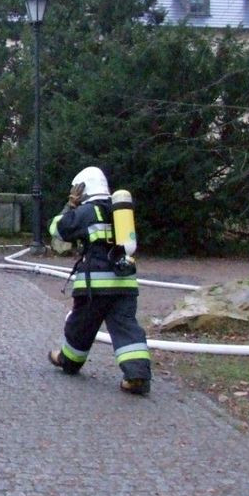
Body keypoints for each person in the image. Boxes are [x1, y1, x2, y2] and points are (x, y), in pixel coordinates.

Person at [47, 166, 152, 395]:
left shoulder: (86, 211)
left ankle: (69, 360)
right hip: (125, 284)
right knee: (127, 328)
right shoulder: (119, 210)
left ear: (82, 189)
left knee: (80, 325)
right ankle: (137, 375)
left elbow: (58, 229)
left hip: (95, 285)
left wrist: (70, 206)